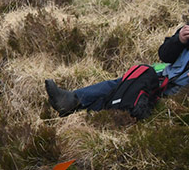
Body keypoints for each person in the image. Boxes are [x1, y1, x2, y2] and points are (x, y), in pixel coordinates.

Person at [45, 23, 189, 116]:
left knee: (128, 91)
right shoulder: (186, 29)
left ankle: (76, 107)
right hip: (161, 77)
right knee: (122, 83)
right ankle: (71, 100)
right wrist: (179, 40)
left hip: (175, 92)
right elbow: (164, 55)